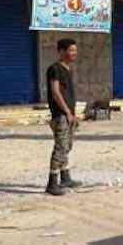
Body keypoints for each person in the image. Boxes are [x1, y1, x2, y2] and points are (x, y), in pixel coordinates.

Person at [45, 38, 81, 196]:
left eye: (75, 50)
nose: (74, 53)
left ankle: (65, 177)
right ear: (61, 51)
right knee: (61, 147)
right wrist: (67, 112)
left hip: (68, 114)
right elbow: (55, 92)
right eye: (71, 50)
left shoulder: (68, 69)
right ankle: (52, 183)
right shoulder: (55, 69)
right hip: (60, 115)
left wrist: (73, 113)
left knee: (67, 145)